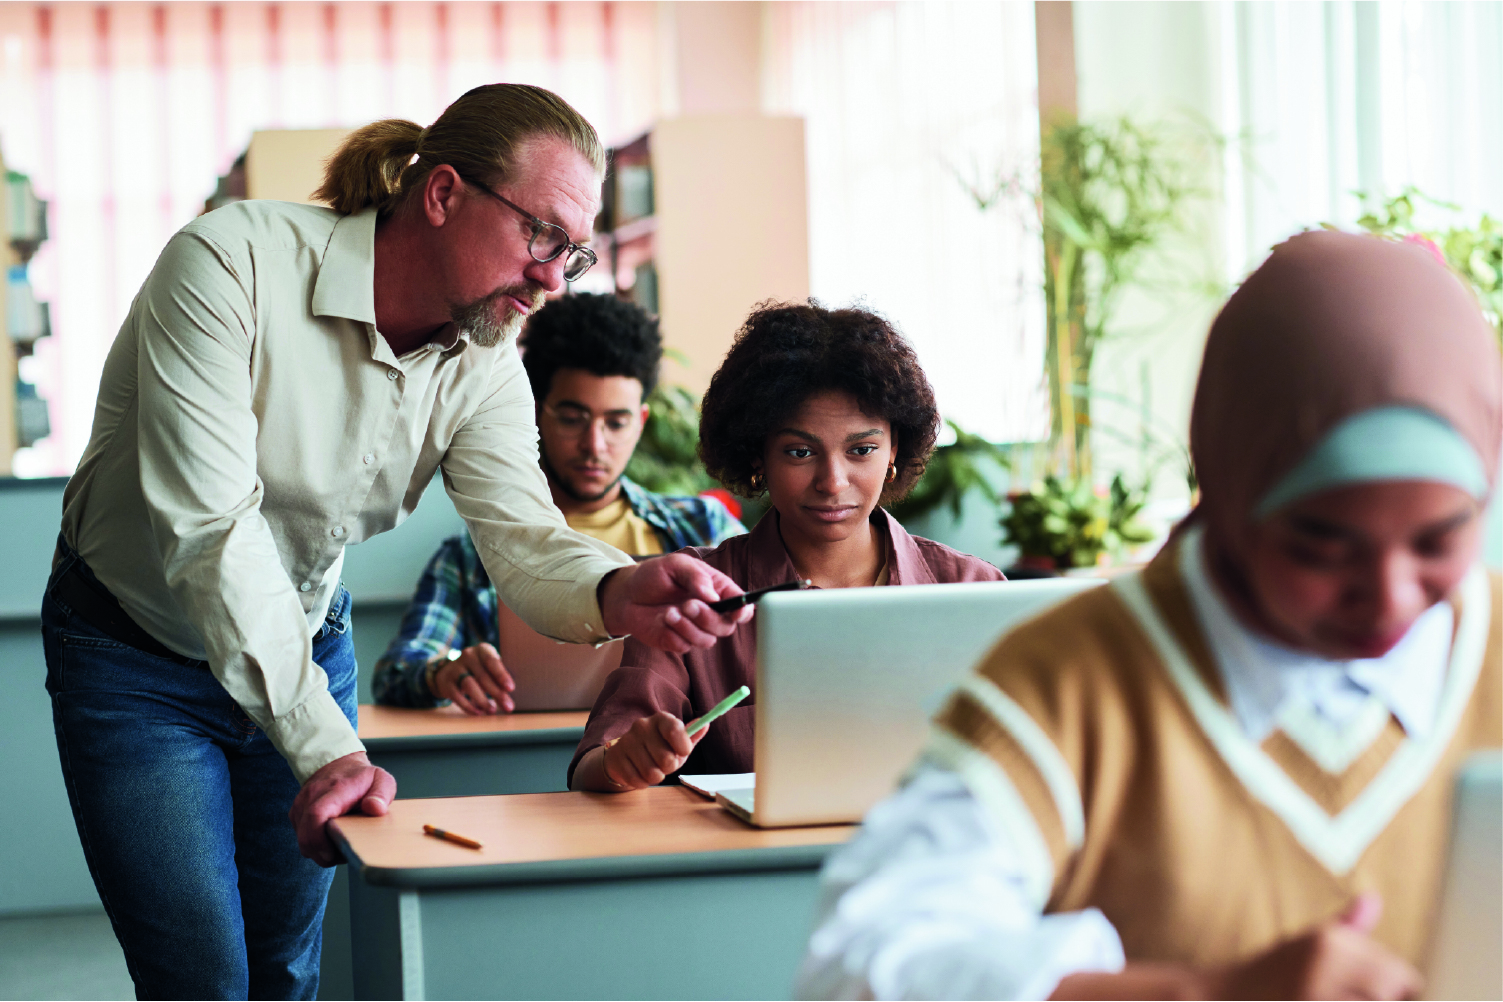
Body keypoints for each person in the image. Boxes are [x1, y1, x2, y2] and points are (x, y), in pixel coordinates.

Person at [41, 84, 752, 1000]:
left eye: (573, 253)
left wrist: (617, 589)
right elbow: (214, 532)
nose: (551, 278)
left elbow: (525, 538)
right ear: (444, 194)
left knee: (286, 974)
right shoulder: (229, 264)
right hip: (138, 660)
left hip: (305, 643)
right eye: (542, 236)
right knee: (200, 981)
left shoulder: (487, 358)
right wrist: (327, 746)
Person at [795, 231, 1502, 1001]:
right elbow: (858, 971)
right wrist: (1204, 994)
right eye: (1321, 546)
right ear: (1231, 493)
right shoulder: (1074, 682)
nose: (1390, 595)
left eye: (1439, 538)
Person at [569, 302, 1005, 793]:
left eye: (861, 450)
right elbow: (594, 768)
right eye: (800, 452)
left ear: (894, 451)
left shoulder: (973, 590)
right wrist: (625, 761)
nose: (832, 482)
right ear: (758, 455)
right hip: (750, 865)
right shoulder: (694, 596)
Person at [371, 291, 745, 713]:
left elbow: (765, 642)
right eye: (572, 418)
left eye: (616, 422)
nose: (594, 445)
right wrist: (447, 669)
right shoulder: (473, 555)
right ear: (534, 413)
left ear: (640, 423)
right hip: (529, 756)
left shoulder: (705, 529)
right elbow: (397, 671)